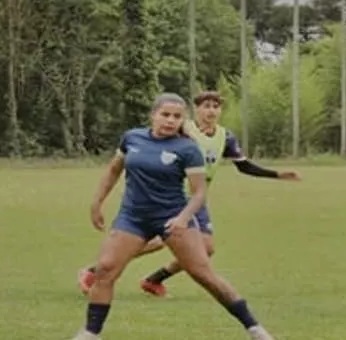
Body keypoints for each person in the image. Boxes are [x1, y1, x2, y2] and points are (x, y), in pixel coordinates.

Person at [59, 93, 277, 340]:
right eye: (165, 114)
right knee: (105, 269)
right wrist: (97, 202)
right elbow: (114, 170)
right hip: (133, 217)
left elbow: (198, 193)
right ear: (153, 115)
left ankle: (256, 329)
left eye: (177, 117)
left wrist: (183, 218)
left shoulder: (187, 149)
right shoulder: (132, 138)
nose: (170, 120)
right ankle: (90, 333)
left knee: (203, 275)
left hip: (172, 216)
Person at [76, 90, 300, 297]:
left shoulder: (225, 137)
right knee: (155, 242)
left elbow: (244, 166)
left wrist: (277, 175)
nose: (211, 110)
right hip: (168, 198)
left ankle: (153, 280)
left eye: (216, 106)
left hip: (195, 199)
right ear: (196, 111)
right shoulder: (182, 131)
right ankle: (97, 271)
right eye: (206, 106)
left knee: (206, 249)